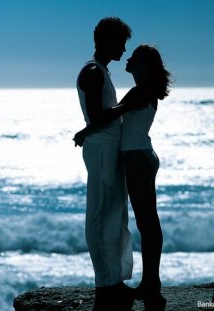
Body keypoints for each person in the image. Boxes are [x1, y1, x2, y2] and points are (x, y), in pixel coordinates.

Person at [75, 45, 172, 310]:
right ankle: (150, 281)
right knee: (146, 220)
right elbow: (117, 114)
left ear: (144, 65)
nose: (127, 58)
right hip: (138, 156)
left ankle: (152, 282)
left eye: (134, 58)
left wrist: (86, 131)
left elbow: (112, 114)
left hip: (138, 157)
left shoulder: (142, 91)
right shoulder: (142, 89)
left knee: (147, 221)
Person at [75, 17, 143, 311]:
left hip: (106, 149)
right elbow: (97, 116)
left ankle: (113, 280)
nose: (124, 48)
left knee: (114, 214)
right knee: (102, 215)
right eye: (121, 42)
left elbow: (96, 119)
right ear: (106, 41)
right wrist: (128, 104)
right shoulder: (92, 71)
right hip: (102, 151)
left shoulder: (100, 71)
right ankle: (106, 282)